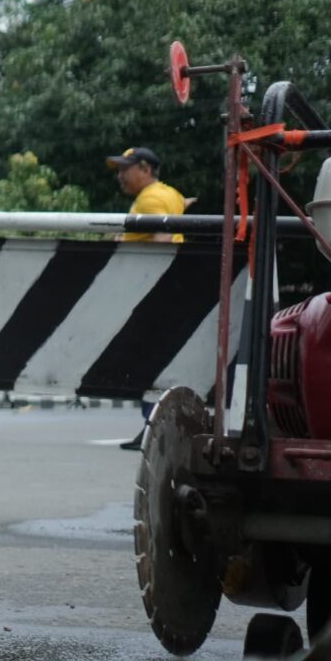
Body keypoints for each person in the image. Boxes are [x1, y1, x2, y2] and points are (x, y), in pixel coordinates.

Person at [109, 145, 186, 450]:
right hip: (171, 292)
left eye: (124, 169)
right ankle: (154, 428)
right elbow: (181, 205)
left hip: (153, 293)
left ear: (144, 168)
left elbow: (162, 241)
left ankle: (152, 429)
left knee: (148, 364)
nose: (120, 176)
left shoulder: (151, 199)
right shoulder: (169, 194)